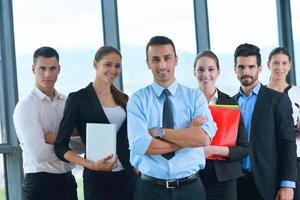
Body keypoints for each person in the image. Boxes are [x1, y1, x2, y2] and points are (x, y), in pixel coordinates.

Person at [127, 35, 217, 200]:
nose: (162, 65)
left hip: (191, 190)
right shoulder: (137, 100)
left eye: (167, 58)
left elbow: (203, 139)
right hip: (150, 191)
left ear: (176, 60)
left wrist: (159, 132)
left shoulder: (195, 97)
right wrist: (187, 135)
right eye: (155, 59)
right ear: (148, 63)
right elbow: (143, 146)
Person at [54, 46, 136, 200]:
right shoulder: (78, 99)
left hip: (128, 177)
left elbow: (131, 137)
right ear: (95, 64)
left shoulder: (124, 99)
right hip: (97, 179)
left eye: (117, 66)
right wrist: (90, 164)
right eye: (108, 64)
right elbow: (60, 147)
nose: (113, 70)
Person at [13, 46, 78, 200]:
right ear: (33, 69)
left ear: (59, 69)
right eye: (42, 68)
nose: (47, 74)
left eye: (52, 68)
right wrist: (69, 147)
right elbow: (39, 154)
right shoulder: (26, 106)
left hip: (67, 181)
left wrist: (55, 140)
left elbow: (84, 144)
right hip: (39, 184)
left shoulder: (66, 102)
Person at [233, 43, 296, 200]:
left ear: (260, 69)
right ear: (235, 69)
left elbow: (288, 143)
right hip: (235, 183)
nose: (246, 72)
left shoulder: (278, 100)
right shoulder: (230, 103)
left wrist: (287, 184)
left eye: (251, 67)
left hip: (267, 183)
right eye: (241, 67)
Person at [193, 50, 249, 200]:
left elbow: (243, 148)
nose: (206, 74)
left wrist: (212, 150)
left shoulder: (231, 103)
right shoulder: (185, 103)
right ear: (194, 72)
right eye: (201, 69)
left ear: (218, 72)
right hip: (192, 179)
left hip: (225, 180)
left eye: (211, 69)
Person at [266, 47, 300, 199]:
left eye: (284, 63)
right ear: (268, 65)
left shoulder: (298, 93)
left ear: (290, 65)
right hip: (270, 160)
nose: (280, 67)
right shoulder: (261, 95)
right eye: (276, 63)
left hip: (296, 159)